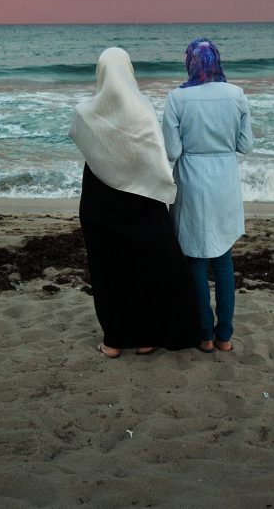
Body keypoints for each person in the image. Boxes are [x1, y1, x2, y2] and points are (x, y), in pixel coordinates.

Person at [69, 47, 200, 358]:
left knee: (108, 272)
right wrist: (165, 189)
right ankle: (146, 338)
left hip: (100, 202)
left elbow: (79, 136)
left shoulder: (85, 112)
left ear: (100, 73)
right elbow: (155, 155)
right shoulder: (141, 108)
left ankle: (114, 340)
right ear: (129, 71)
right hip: (141, 198)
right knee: (146, 268)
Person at [163, 38, 253, 353]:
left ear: (191, 64)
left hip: (192, 180)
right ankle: (225, 336)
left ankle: (204, 335)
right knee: (224, 258)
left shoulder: (176, 99)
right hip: (225, 181)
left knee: (196, 260)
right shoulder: (237, 95)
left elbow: (172, 151)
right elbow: (245, 145)